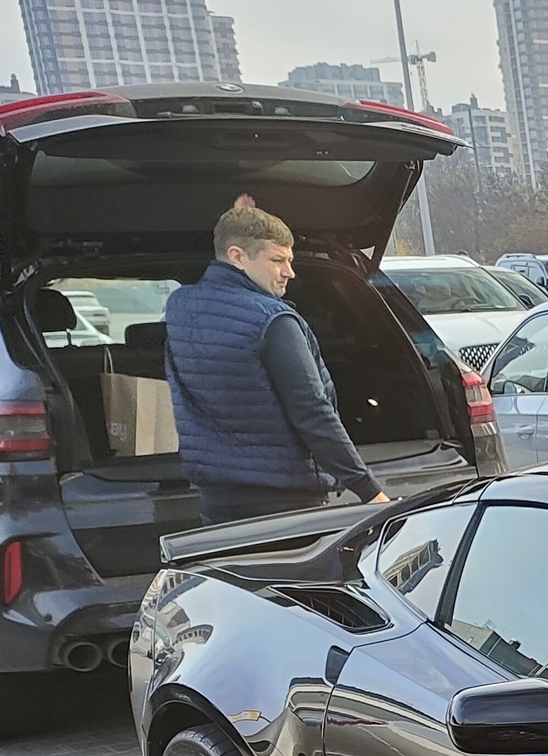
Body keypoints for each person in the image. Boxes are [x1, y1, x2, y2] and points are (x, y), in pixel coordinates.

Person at [165, 198, 388, 525]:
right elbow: (312, 411)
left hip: (217, 499)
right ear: (237, 256)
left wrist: (239, 218)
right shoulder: (274, 320)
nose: (290, 272)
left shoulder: (180, 308)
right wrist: (368, 490)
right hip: (285, 502)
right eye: (278, 260)